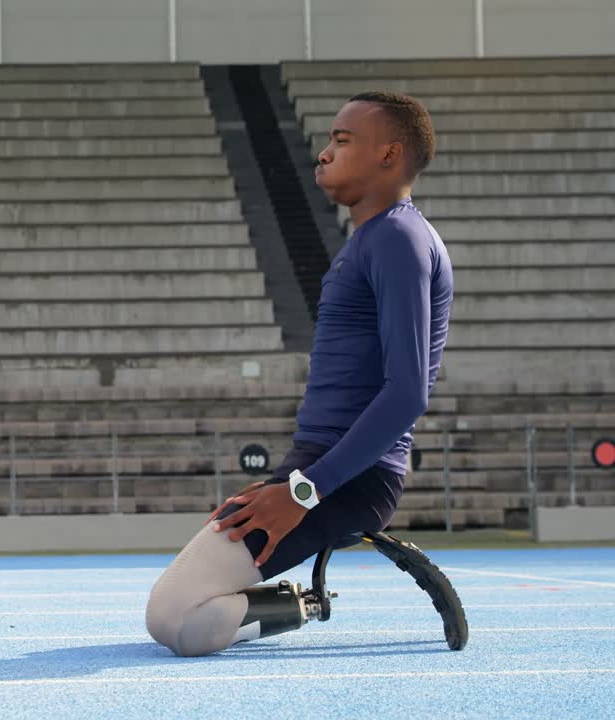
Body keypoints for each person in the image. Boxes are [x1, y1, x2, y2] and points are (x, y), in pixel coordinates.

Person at [145, 91, 454, 656]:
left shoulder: (399, 238)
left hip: (347, 477)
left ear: (389, 155)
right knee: (171, 612)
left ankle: (304, 604)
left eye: (342, 140)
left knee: (176, 619)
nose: (324, 152)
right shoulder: (374, 239)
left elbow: (408, 392)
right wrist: (285, 482)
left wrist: (303, 491)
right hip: (317, 468)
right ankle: (298, 599)